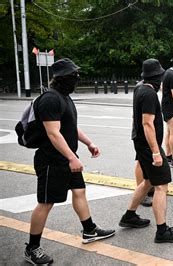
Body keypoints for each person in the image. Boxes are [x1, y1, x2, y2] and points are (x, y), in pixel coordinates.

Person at [24, 58, 115, 265]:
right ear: (63, 78)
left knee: (79, 191)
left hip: (66, 158)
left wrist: (88, 143)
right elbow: (53, 133)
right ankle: (32, 248)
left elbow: (70, 126)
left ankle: (89, 230)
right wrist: (72, 157)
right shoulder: (50, 99)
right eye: (74, 75)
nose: (77, 78)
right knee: (46, 203)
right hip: (52, 160)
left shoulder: (64, 97)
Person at [119, 59, 173, 243]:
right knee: (161, 185)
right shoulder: (148, 93)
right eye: (160, 77)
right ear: (155, 77)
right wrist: (156, 152)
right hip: (149, 146)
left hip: (141, 143)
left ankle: (129, 216)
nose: (161, 81)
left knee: (148, 181)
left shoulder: (139, 88)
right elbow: (147, 123)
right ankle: (162, 231)